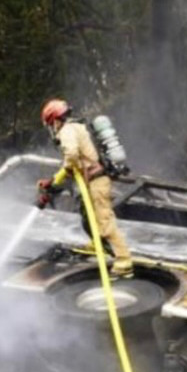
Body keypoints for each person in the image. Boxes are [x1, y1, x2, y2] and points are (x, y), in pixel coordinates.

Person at [37, 98, 134, 279]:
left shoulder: (66, 130)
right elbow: (73, 163)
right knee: (86, 213)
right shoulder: (76, 127)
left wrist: (65, 171)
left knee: (105, 221)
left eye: (51, 124)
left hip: (97, 181)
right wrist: (53, 181)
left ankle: (124, 261)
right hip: (92, 180)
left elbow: (71, 155)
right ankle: (96, 242)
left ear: (55, 120)